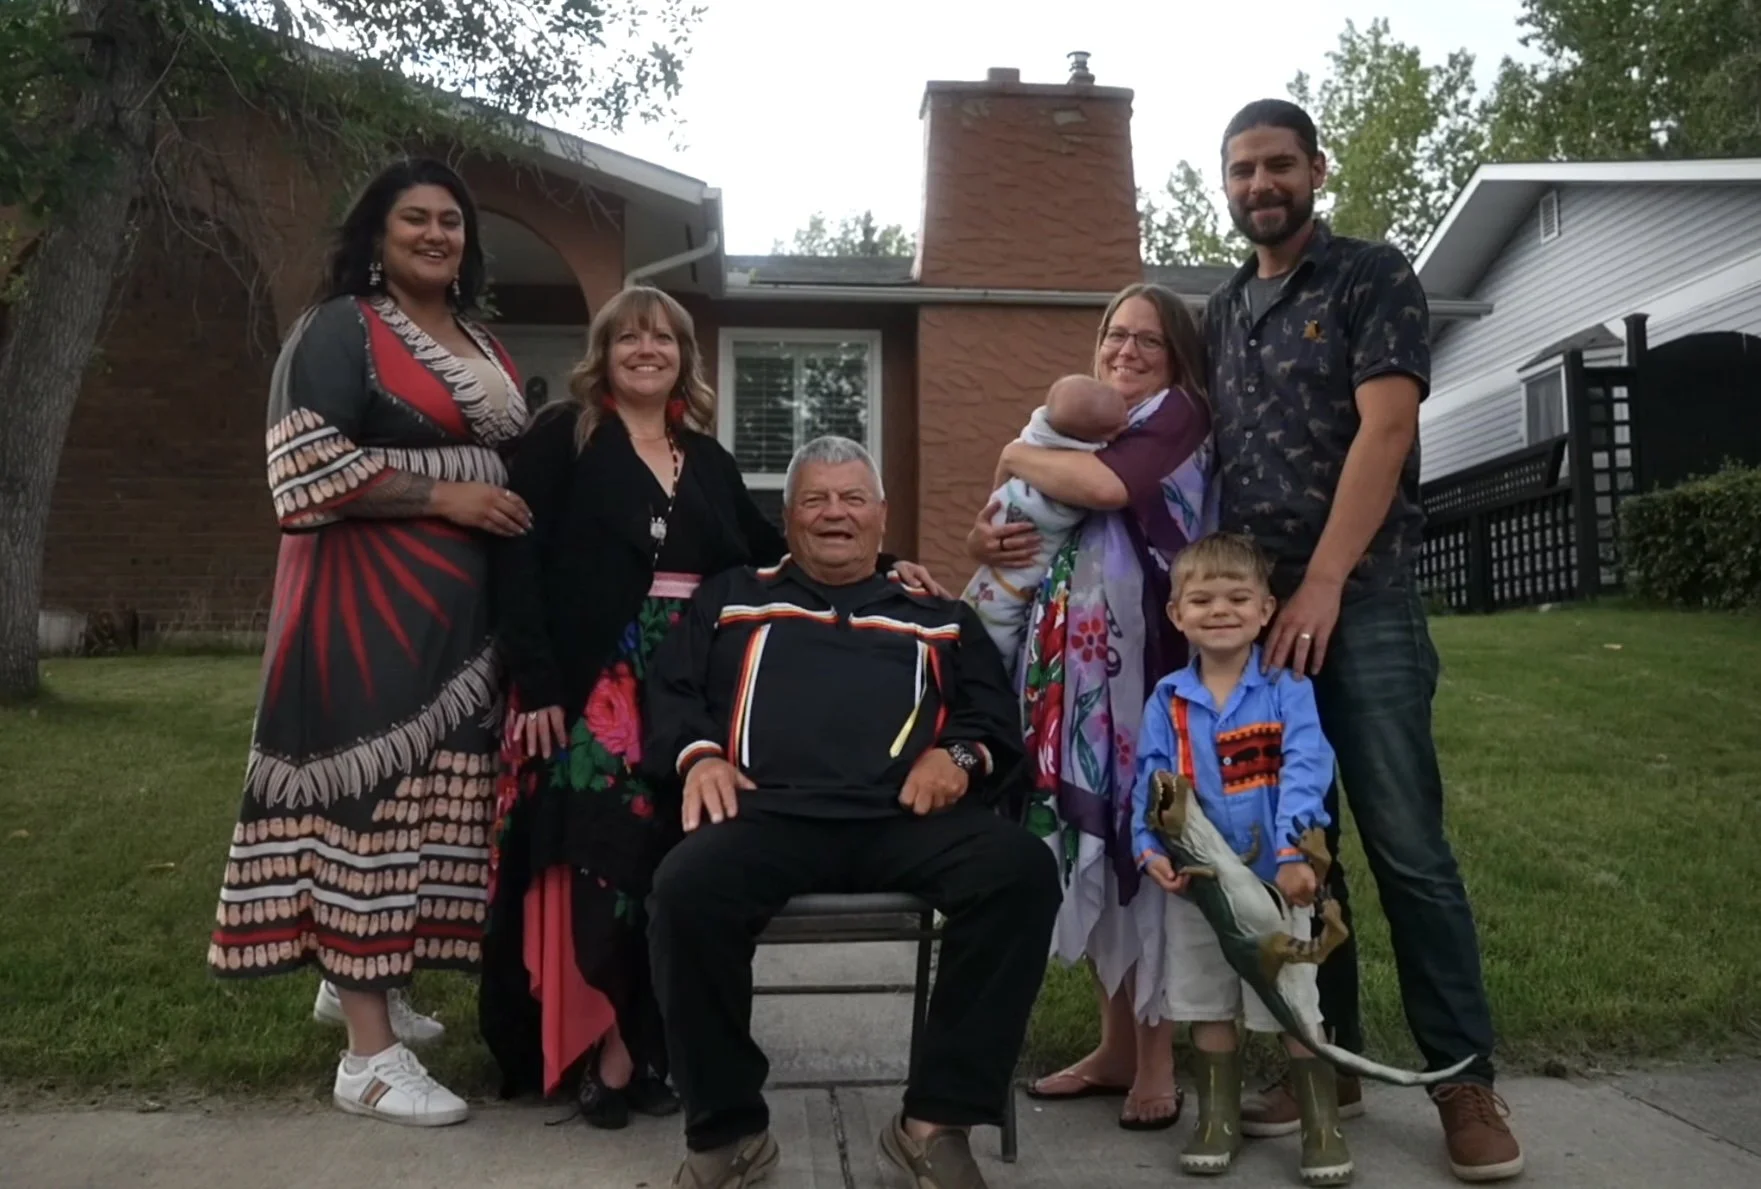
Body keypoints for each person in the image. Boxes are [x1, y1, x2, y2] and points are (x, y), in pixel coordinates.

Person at [479, 289, 945, 1128]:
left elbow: (772, 550)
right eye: (629, 336)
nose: (646, 349)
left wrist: (887, 562)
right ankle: (602, 1042)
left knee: (676, 852)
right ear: (603, 351)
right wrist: (538, 681)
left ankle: (644, 1045)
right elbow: (519, 560)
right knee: (601, 855)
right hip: (595, 686)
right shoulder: (565, 438)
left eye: (662, 337)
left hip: (694, 681)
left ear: (684, 357)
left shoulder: (706, 459)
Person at [1204, 98, 1522, 1182]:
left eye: (1278, 164)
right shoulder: (1221, 310)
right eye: (1242, 169)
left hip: (1364, 599)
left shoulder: (1370, 276)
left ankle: (1462, 1079)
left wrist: (1327, 582)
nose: (1260, 185)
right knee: (1298, 847)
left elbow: (1386, 430)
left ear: (1316, 170)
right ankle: (1328, 1061)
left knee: (1406, 848)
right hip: (1257, 624)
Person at [642, 436, 1062, 1189]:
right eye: (815, 499)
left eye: (852, 498)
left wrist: (958, 757)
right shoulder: (732, 598)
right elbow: (672, 692)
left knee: (1021, 872)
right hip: (766, 817)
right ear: (787, 517)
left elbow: (993, 720)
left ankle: (933, 1123)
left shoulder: (937, 613)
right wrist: (701, 757)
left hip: (905, 819)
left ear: (881, 516)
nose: (834, 513)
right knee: (684, 888)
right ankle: (729, 1130)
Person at [208, 157, 533, 1125]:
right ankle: (369, 1060)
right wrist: (446, 495)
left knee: (435, 804)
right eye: (415, 219)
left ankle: (367, 982)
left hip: (462, 618)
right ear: (376, 237)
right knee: (370, 800)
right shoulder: (338, 327)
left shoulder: (479, 338)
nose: (436, 234)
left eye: (451, 221)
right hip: (362, 604)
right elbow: (302, 460)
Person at [967, 283, 1214, 1130]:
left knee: (1145, 844)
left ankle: (1156, 1058)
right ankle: (1114, 1048)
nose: (1125, 350)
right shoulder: (1092, 425)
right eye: (1114, 334)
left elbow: (1110, 489)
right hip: (1074, 681)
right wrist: (981, 535)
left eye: (1147, 339)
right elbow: (1008, 518)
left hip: (1148, 669)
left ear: (1177, 356)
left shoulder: (1176, 415)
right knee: (1095, 845)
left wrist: (1013, 450)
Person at [1130, 533, 1351, 1186]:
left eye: (1236, 597)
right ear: (1177, 614)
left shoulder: (1287, 690)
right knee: (1205, 1002)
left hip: (1277, 885)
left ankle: (1321, 1125)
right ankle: (1216, 1119)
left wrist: (1295, 854)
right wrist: (1148, 849)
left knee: (1293, 1005)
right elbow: (1151, 780)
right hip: (1197, 885)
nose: (1220, 610)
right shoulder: (1167, 699)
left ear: (1265, 610)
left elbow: (1306, 770)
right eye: (1201, 600)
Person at [962, 374, 1129, 668]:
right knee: (994, 621)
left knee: (983, 607)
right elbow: (1086, 493)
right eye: (1114, 430)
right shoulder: (1073, 451)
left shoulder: (1041, 431)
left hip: (1011, 554)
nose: (1125, 429)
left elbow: (1011, 458)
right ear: (1085, 439)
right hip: (1024, 546)